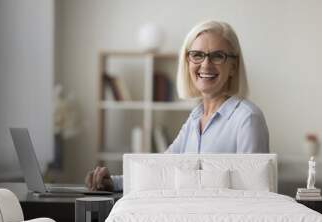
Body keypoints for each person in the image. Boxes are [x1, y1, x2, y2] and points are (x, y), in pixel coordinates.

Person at [85, 20, 269, 192]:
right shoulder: (195, 118)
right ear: (188, 61)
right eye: (197, 55)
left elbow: (254, 194)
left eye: (218, 56)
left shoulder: (248, 118)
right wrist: (114, 182)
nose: (206, 64)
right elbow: (163, 168)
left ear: (234, 66)